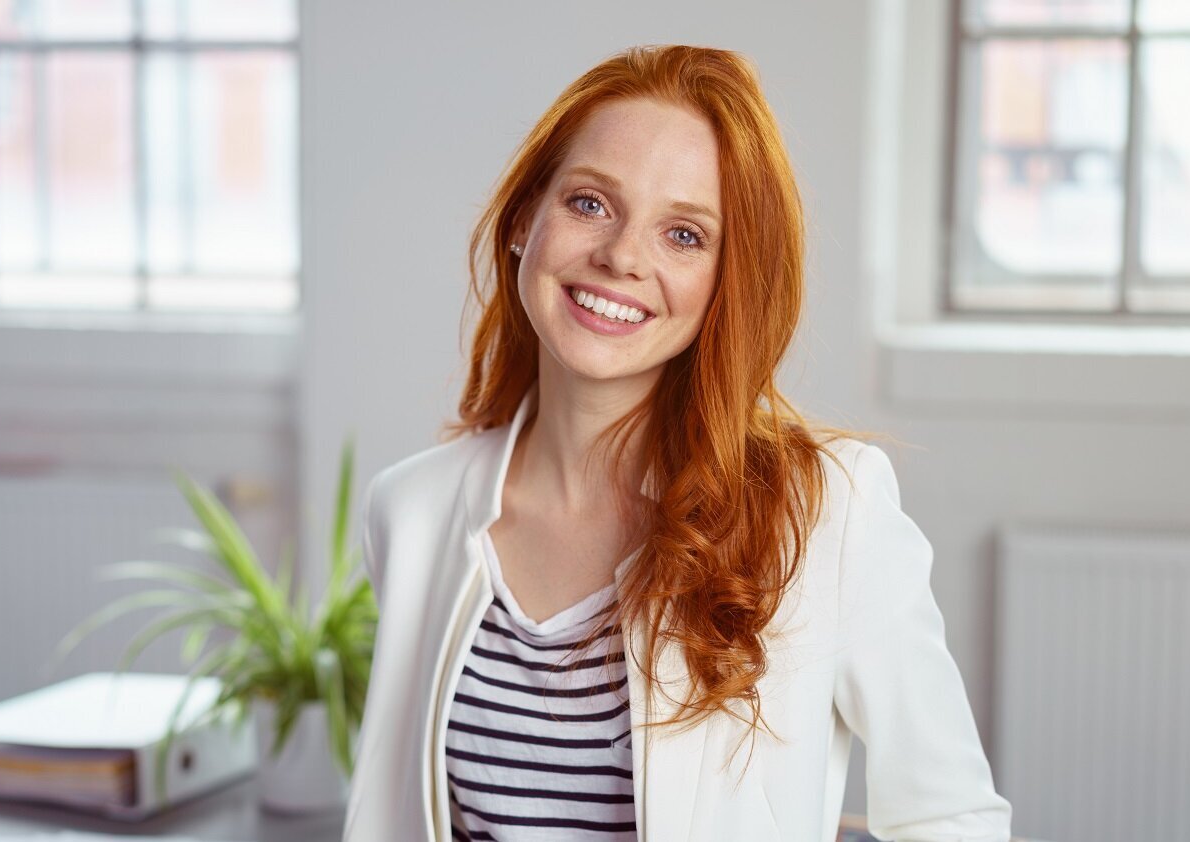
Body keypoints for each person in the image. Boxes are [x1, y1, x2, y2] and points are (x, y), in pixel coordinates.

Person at [341, 44, 1013, 842]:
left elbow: (951, 817)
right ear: (525, 219)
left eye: (684, 236)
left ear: (725, 281)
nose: (622, 257)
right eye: (589, 203)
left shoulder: (825, 510)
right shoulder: (411, 510)